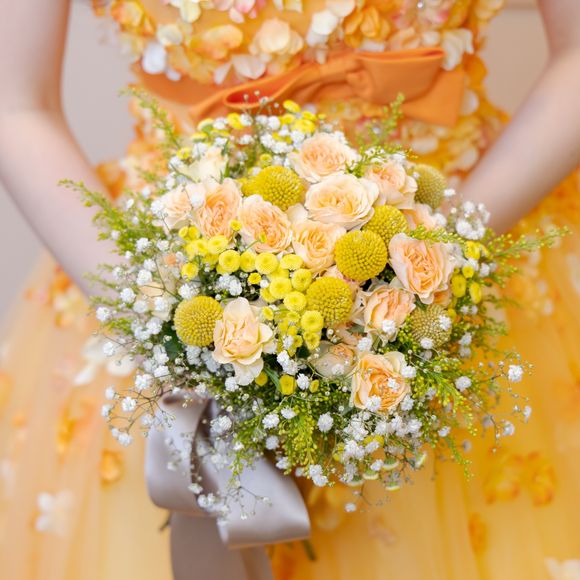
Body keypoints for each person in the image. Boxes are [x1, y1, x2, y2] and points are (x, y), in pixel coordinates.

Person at [0, 1, 578, 578]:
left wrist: (428, 258)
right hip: (160, 275)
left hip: (455, 266)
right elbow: (18, 103)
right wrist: (162, 316)